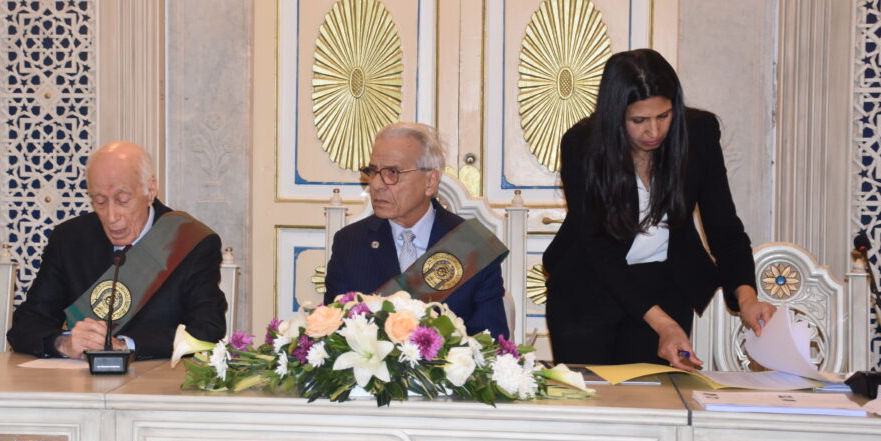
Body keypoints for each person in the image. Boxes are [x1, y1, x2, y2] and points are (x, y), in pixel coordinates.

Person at [543, 49, 777, 370]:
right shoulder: (582, 145)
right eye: (639, 121)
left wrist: (747, 298)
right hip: (589, 290)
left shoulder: (699, 134)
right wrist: (663, 324)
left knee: (657, 395)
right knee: (593, 397)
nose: (654, 132)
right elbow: (598, 249)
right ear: (615, 115)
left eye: (664, 116)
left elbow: (723, 225)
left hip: (664, 287)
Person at [7, 141, 227, 360]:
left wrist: (125, 346)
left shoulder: (189, 241)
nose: (111, 217)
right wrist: (64, 343)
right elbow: (26, 325)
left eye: (123, 200)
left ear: (150, 190)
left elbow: (207, 330)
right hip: (82, 379)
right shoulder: (69, 239)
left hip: (156, 377)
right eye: (100, 202)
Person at [325, 122, 511, 338]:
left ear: (430, 181)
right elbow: (333, 338)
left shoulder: (471, 246)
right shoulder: (350, 244)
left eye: (392, 172)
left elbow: (490, 343)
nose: (376, 185)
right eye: (372, 171)